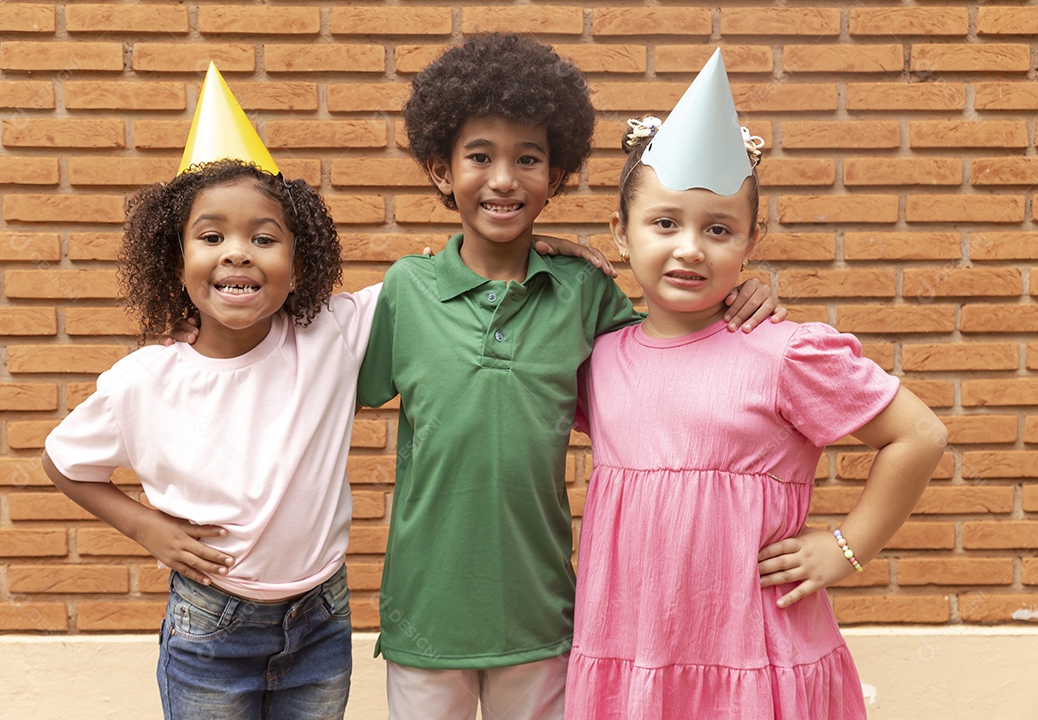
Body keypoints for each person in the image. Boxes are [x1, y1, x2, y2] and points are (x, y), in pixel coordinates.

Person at [354, 34, 784, 720]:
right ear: (441, 171)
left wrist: (741, 292)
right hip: (424, 620)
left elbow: (670, 349)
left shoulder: (584, 294)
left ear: (554, 178)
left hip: (545, 619)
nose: (503, 179)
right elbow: (314, 387)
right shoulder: (406, 290)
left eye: (528, 159)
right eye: (479, 157)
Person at [564, 50, 948, 719]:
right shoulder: (595, 358)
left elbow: (919, 433)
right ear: (619, 234)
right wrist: (544, 254)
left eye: (718, 229)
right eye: (664, 222)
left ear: (750, 241)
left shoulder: (783, 353)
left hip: (757, 655)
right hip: (632, 652)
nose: (690, 247)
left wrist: (847, 546)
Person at [42, 65, 373, 719]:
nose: (238, 252)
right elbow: (63, 460)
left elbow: (450, 273)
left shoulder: (332, 331)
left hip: (321, 620)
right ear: (177, 260)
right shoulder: (144, 381)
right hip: (210, 631)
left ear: (298, 262)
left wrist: (536, 249)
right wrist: (147, 529)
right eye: (213, 236)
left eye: (264, 237)